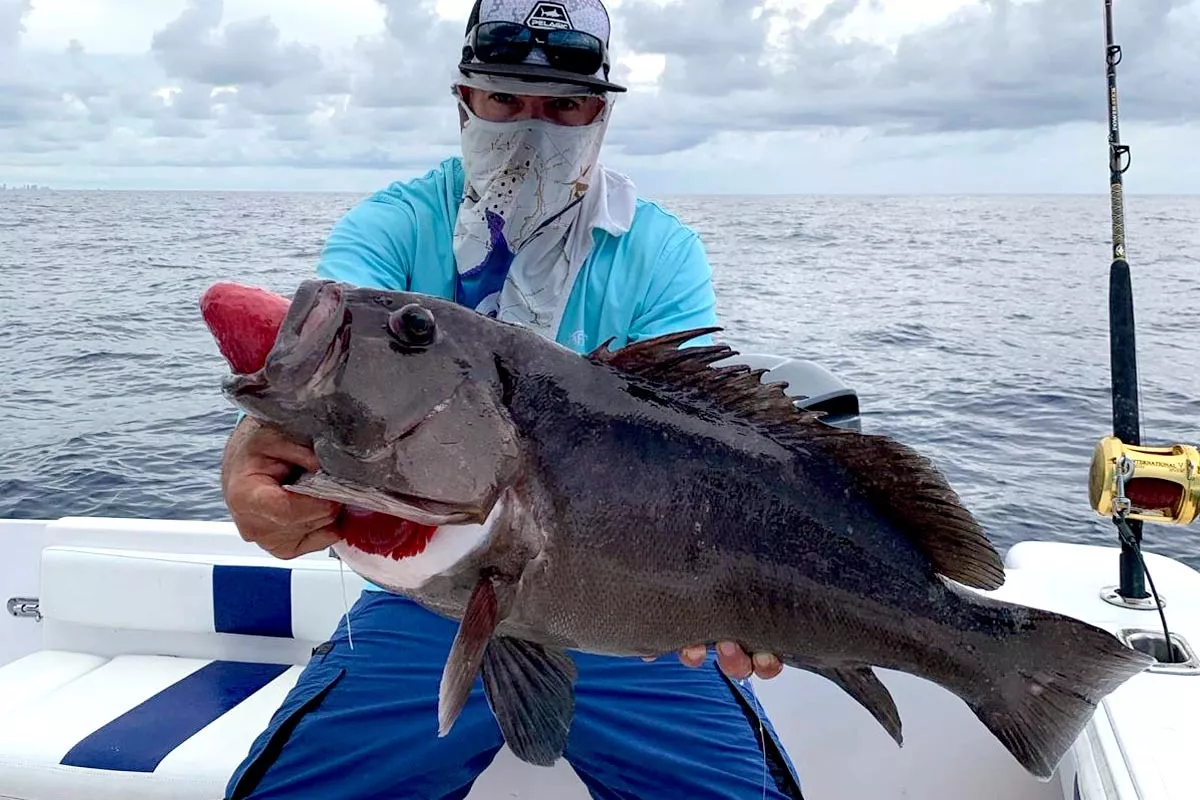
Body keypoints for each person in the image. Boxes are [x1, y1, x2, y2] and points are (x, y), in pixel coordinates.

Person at [220, 1, 804, 798]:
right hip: (429, 595)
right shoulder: (392, 228)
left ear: (598, 114)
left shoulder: (661, 252)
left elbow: (703, 447)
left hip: (634, 611)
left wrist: (753, 589)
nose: (531, 126)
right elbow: (324, 385)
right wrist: (249, 457)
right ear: (463, 101)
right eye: (504, 99)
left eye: (562, 105)